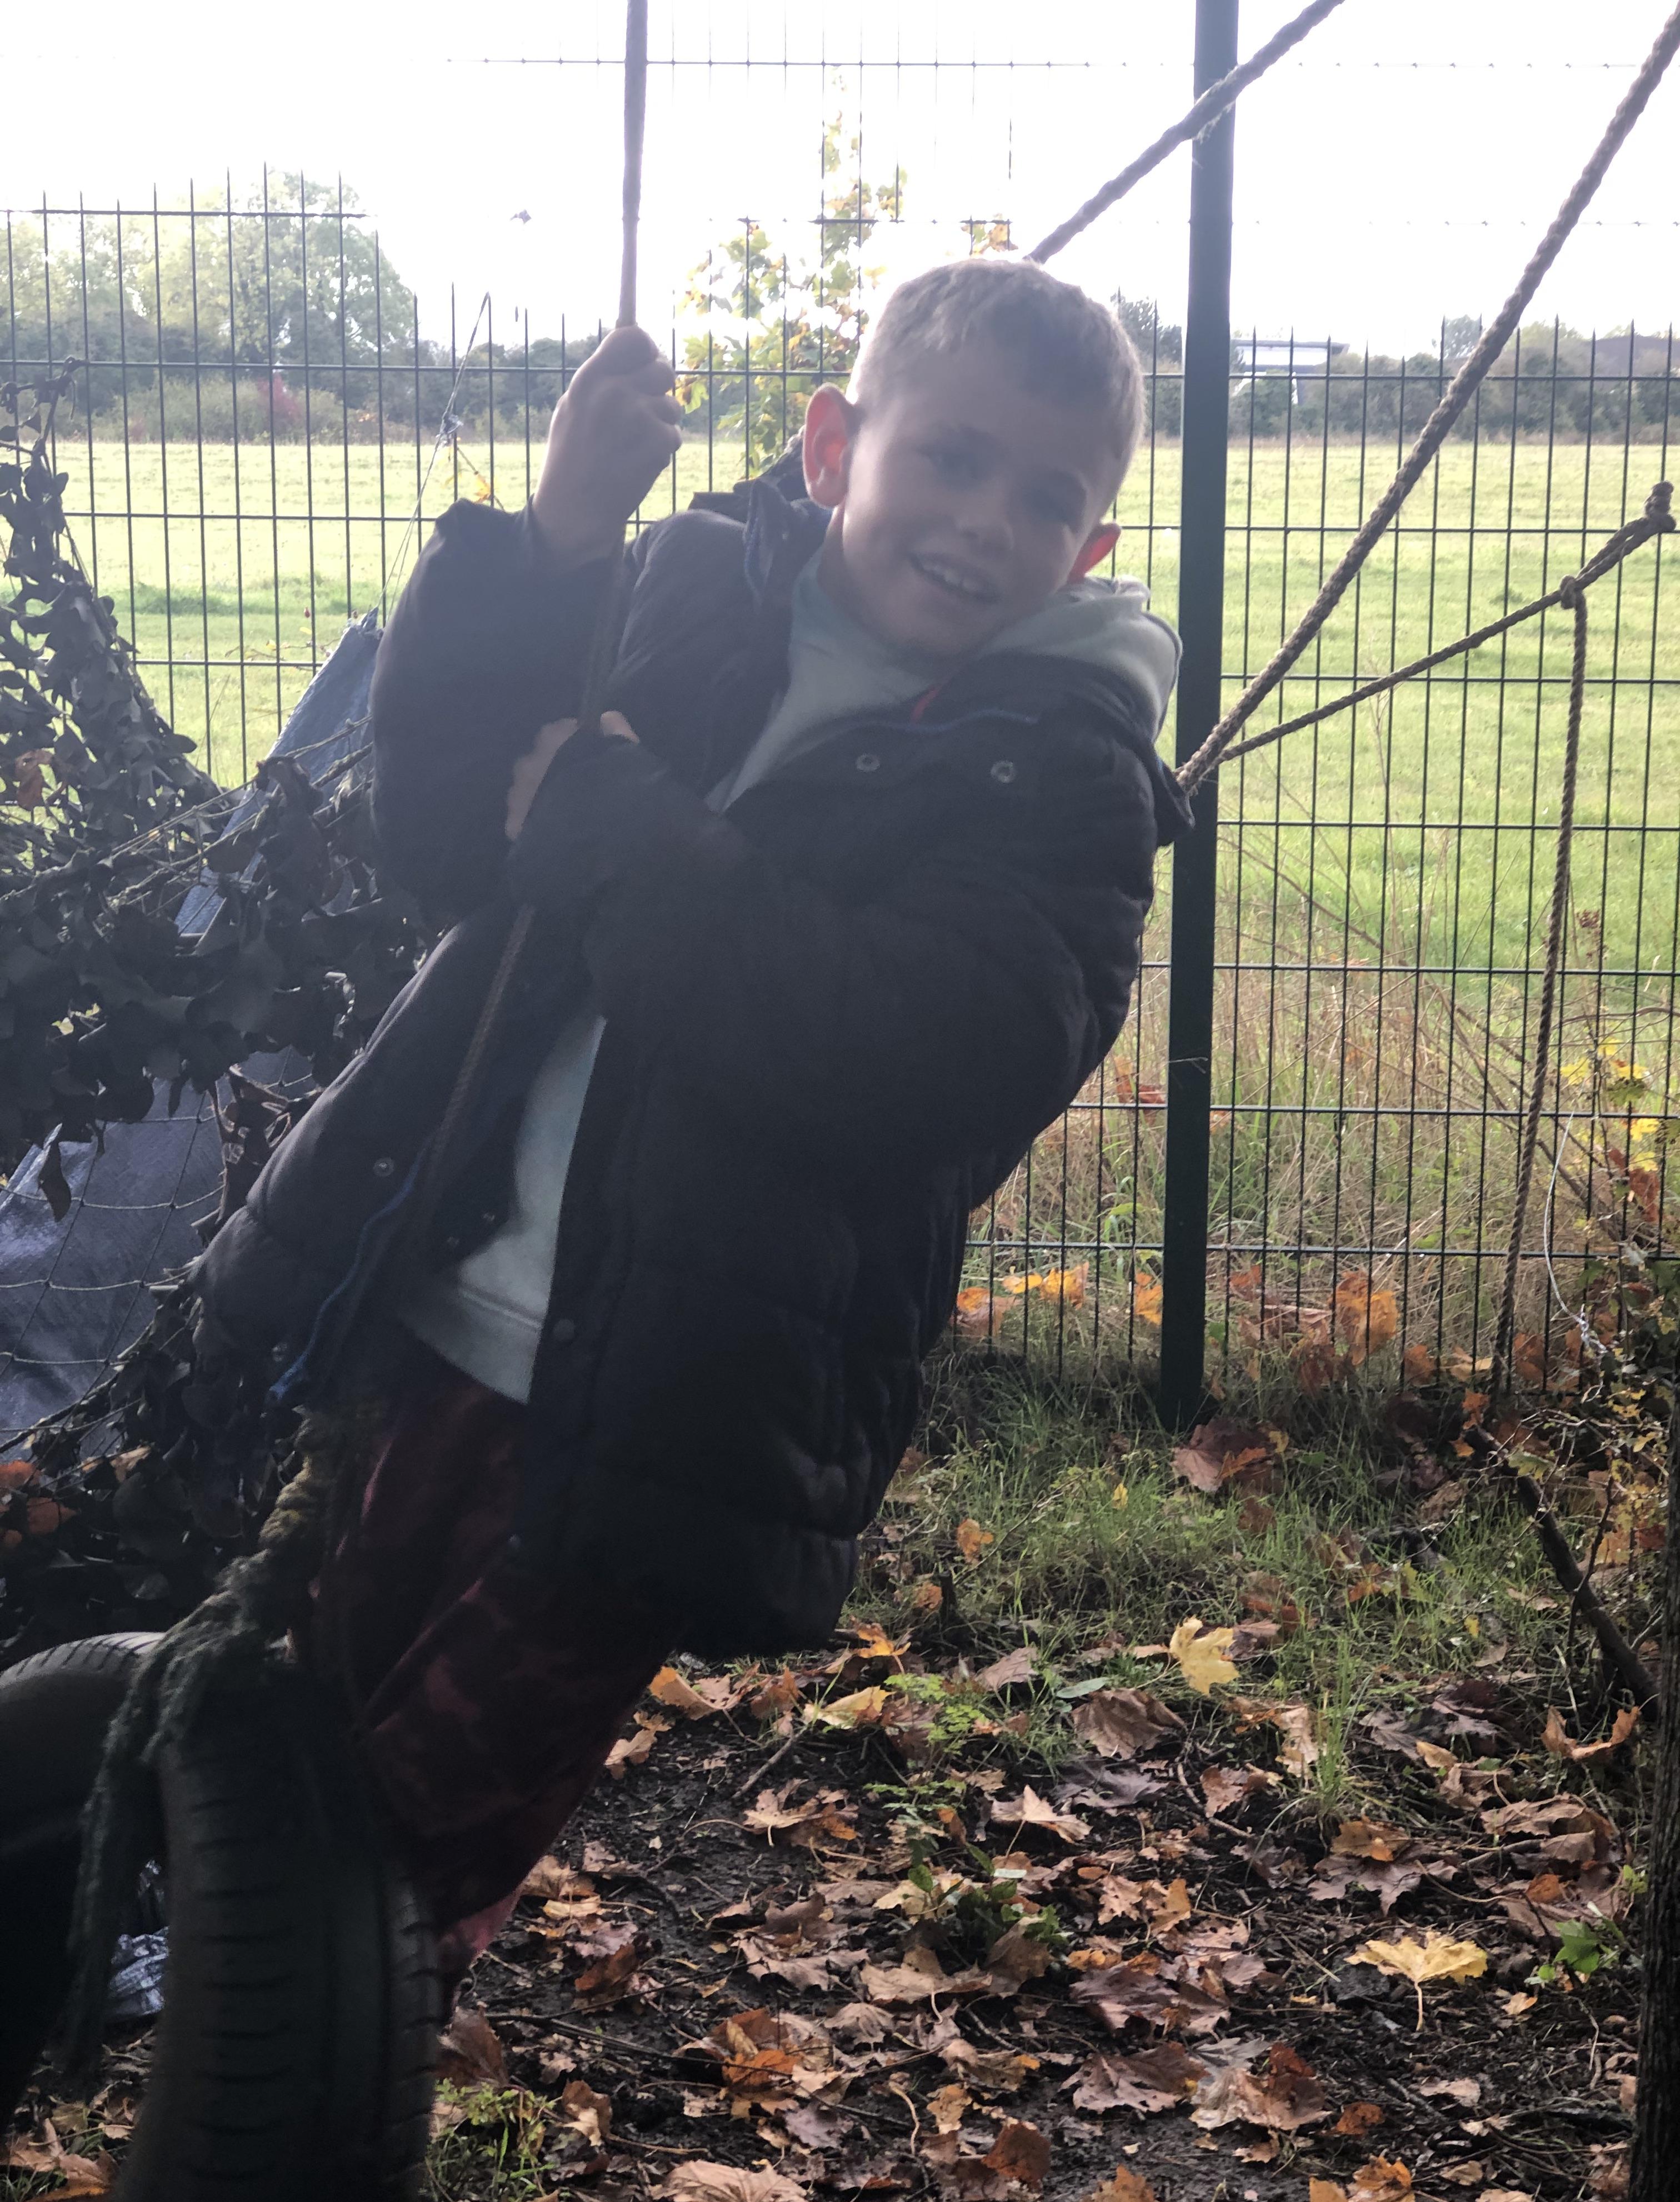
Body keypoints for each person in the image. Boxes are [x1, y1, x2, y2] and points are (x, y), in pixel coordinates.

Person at [192, 256, 1191, 1984]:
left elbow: (894, 1059)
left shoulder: (1061, 785)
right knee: (295, 1757)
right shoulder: (690, 593)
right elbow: (442, 838)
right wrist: (560, 538)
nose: (986, 519)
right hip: (433, 1302)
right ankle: (267, 2071)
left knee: (400, 1858)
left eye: (1046, 498)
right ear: (834, 446)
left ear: (1090, 551)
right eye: (952, 457)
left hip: (670, 1404)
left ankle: (292, 2090)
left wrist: (618, 829)